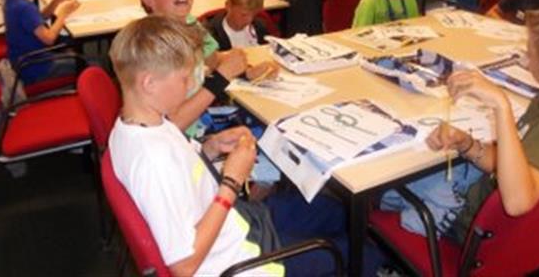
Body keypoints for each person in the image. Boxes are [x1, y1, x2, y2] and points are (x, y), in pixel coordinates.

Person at [108, 15, 384, 276]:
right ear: (149, 83)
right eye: (183, 78)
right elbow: (184, 265)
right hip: (240, 261)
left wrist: (212, 147)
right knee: (366, 254)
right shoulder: (153, 160)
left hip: (236, 224)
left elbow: (180, 172)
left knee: (339, 214)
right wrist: (232, 181)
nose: (192, 83)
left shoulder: (142, 123)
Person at [382, 7, 539, 243]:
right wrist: (468, 144)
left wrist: (501, 106)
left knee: (385, 182)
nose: (526, 57)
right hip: (493, 208)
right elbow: (515, 162)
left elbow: (517, 202)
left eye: (531, 53)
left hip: (470, 220)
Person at [135, 0, 275, 137]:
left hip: (199, 120)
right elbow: (171, 125)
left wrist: (247, 70)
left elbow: (213, 60)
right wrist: (221, 77)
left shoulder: (190, 24)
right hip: (181, 137)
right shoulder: (155, 47)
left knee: (272, 127)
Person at [4, 0, 80, 86]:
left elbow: (38, 19)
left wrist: (56, 1)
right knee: (92, 62)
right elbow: (49, 39)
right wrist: (63, 14)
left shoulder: (12, 0)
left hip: (25, 63)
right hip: (37, 69)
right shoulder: (24, 7)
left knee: (72, 51)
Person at [206, 0, 271, 50]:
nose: (249, 20)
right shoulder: (212, 36)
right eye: (244, 15)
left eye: (254, 15)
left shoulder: (259, 29)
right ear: (228, 6)